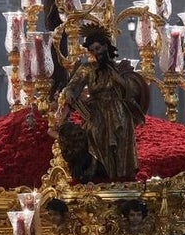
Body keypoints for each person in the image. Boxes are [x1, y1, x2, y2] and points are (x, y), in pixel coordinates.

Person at [52, 25, 149, 181]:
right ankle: (100, 172)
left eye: (98, 48)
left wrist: (120, 80)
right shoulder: (87, 69)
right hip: (96, 112)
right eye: (92, 50)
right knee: (94, 133)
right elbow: (72, 86)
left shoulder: (120, 68)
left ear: (106, 46)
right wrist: (70, 94)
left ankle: (122, 176)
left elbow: (134, 89)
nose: (96, 53)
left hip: (119, 111)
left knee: (122, 136)